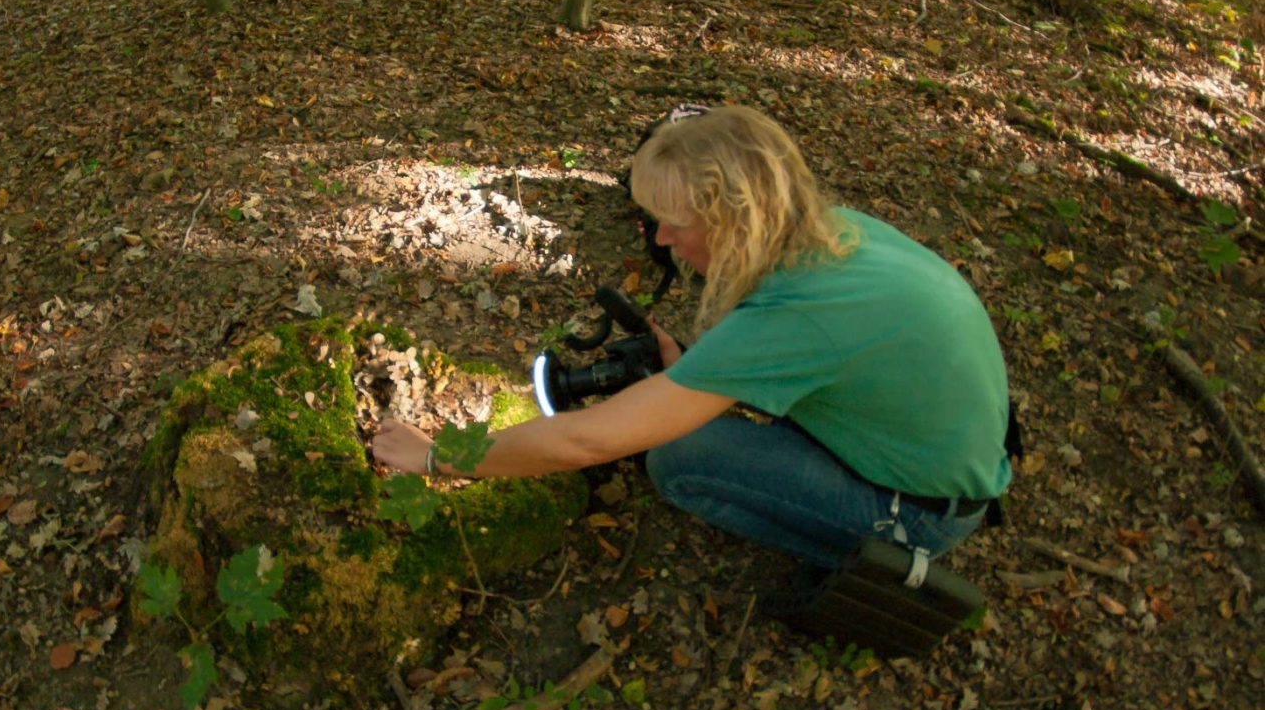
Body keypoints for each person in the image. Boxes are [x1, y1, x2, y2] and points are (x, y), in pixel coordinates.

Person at [373, 106, 1012, 575]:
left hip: (926, 507)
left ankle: (880, 559)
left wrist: (441, 457)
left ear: (736, 221)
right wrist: (700, 371)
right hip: (959, 457)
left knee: (679, 460)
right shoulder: (838, 231)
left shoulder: (792, 321)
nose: (659, 241)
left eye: (674, 225)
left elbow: (588, 438)